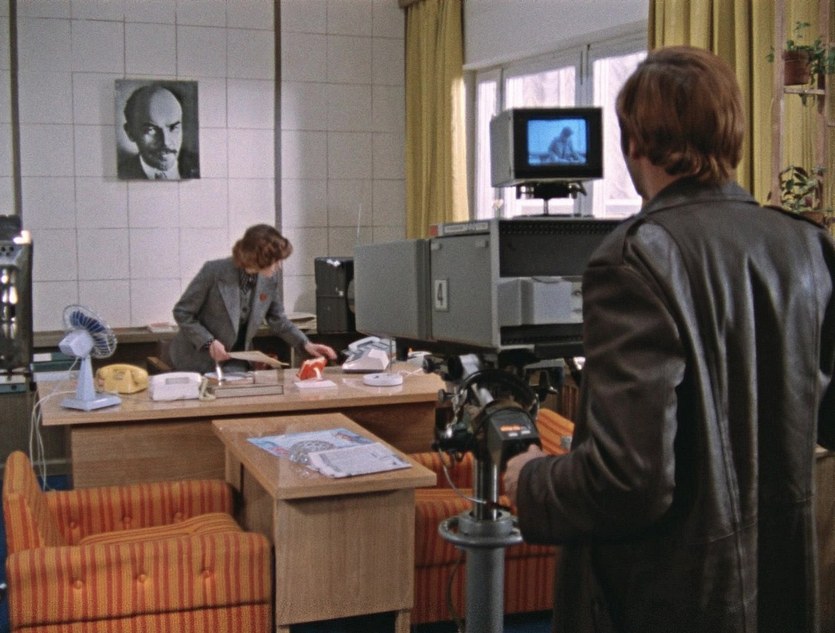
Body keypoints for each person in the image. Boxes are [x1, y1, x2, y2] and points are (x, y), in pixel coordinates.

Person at [503, 46, 835, 633]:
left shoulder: (635, 259)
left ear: (633, 142)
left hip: (667, 599)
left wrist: (529, 479)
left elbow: (627, 482)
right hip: (778, 593)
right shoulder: (807, 248)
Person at [168, 224, 336, 374]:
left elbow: (278, 320)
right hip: (196, 360)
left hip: (235, 361)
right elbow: (182, 312)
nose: (279, 267)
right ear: (259, 258)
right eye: (275, 261)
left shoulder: (269, 280)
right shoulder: (214, 271)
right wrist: (208, 341)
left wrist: (306, 344)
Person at [118, 84, 200, 180]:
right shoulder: (121, 173)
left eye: (173, 128)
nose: (165, 142)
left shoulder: (201, 166)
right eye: (150, 130)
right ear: (130, 133)